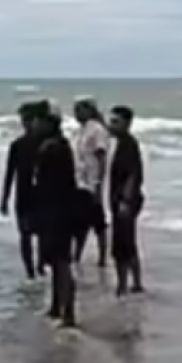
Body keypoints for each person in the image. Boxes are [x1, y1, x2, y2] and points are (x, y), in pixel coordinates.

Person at [32, 100, 79, 327]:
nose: (34, 125)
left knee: (60, 263)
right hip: (63, 210)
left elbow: (43, 186)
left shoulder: (50, 148)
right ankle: (57, 307)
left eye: (37, 120)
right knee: (57, 262)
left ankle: (67, 312)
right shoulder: (62, 145)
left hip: (55, 212)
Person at [1, 101, 42, 279]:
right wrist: (4, 198)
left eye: (29, 119)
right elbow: (10, 173)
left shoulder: (46, 143)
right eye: (24, 119)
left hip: (41, 195)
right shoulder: (17, 145)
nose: (26, 123)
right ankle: (30, 271)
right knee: (25, 234)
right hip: (23, 195)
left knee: (42, 234)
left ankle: (40, 265)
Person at [107, 105, 146, 295]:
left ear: (127, 123)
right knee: (120, 243)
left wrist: (125, 201)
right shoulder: (119, 142)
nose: (111, 125)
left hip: (126, 201)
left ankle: (133, 283)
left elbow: (134, 175)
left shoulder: (129, 144)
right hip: (118, 200)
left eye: (116, 122)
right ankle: (125, 283)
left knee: (126, 243)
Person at [72, 97, 109, 266]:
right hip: (80, 181)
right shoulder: (82, 130)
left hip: (92, 182)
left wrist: (99, 183)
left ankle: (102, 256)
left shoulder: (97, 130)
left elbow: (101, 157)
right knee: (81, 220)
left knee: (97, 221)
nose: (76, 114)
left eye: (79, 110)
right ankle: (77, 254)